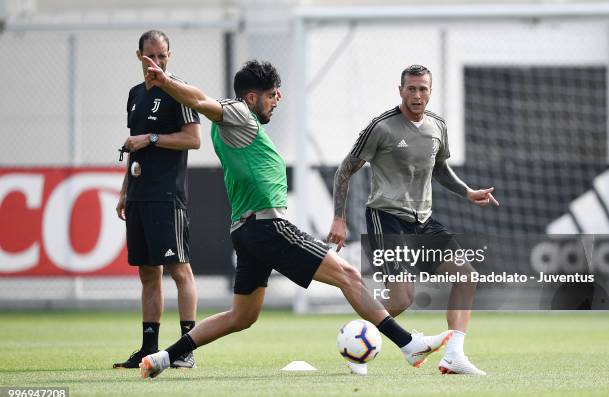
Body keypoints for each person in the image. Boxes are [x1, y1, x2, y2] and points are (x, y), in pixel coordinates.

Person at [136, 58, 452, 379]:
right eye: (273, 94)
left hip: (245, 230)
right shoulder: (238, 113)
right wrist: (166, 82)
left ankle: (163, 357)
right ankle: (408, 343)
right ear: (251, 97)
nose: (278, 99)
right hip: (267, 226)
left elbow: (203, 101)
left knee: (241, 317)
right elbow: (200, 100)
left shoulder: (236, 124)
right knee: (349, 275)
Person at [327, 64, 499, 376]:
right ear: (401, 90)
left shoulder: (438, 127)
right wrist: (339, 218)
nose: (417, 95)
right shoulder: (381, 127)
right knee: (402, 298)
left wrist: (468, 192)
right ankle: (357, 344)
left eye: (423, 89)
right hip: (386, 218)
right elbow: (344, 170)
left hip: (424, 221)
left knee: (467, 276)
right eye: (411, 89)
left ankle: (454, 356)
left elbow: (440, 168)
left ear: (430, 91)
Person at [113, 30, 201, 370]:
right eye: (151, 56)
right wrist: (124, 191)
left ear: (170, 55)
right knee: (149, 274)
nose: (157, 62)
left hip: (167, 197)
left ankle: (186, 349)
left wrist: (149, 138)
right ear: (139, 56)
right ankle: (148, 349)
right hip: (139, 196)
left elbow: (193, 140)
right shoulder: (135, 95)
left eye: (162, 56)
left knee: (180, 271)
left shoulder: (177, 91)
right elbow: (133, 147)